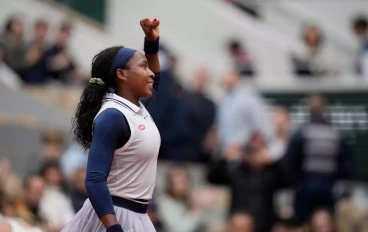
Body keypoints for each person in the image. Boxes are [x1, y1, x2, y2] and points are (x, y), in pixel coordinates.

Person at [61, 18, 161, 232]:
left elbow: (157, 79)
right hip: (112, 215)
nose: (151, 73)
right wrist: (113, 227)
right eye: (143, 67)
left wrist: (151, 42)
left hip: (137, 215)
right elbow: (95, 179)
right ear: (121, 74)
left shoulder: (136, 108)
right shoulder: (112, 116)